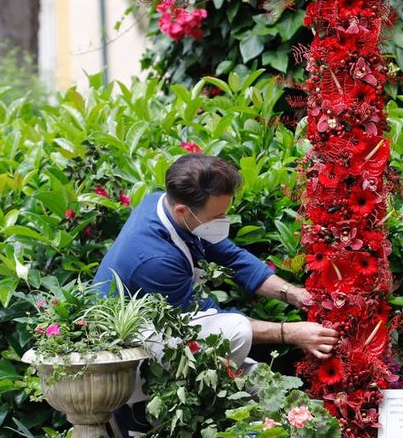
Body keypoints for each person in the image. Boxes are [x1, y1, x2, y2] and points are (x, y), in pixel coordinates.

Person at [93, 153, 339, 367]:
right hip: (123, 353)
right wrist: (290, 333)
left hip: (166, 321)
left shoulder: (163, 203)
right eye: (218, 215)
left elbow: (230, 256)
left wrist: (292, 293)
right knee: (236, 336)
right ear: (182, 210)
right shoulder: (156, 261)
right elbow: (209, 320)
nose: (224, 219)